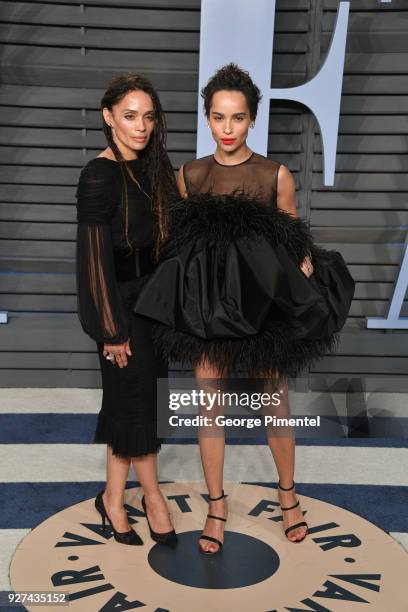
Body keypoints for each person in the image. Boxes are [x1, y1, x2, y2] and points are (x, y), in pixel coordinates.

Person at [134, 64, 355, 553]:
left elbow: (291, 237)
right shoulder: (190, 175)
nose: (227, 129)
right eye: (218, 117)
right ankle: (216, 505)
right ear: (208, 118)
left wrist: (303, 268)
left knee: (274, 402)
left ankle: (288, 498)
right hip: (209, 308)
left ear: (253, 119)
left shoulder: (274, 174)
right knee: (210, 406)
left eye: (237, 118)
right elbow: (181, 245)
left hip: (263, 306)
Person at [76, 73, 177, 547]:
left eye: (148, 117)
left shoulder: (154, 168)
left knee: (139, 404)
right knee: (134, 404)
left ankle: (113, 497)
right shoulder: (98, 174)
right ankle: (151, 496)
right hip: (118, 308)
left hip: (155, 304)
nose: (141, 126)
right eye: (130, 116)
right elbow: (94, 261)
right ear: (108, 116)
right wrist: (111, 330)